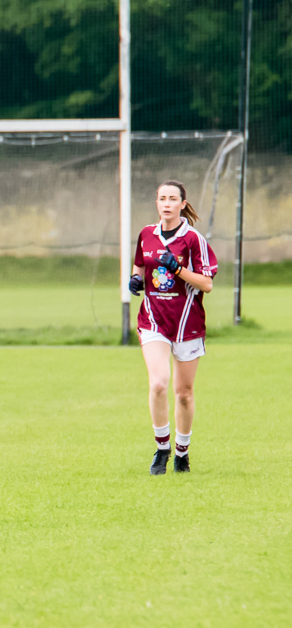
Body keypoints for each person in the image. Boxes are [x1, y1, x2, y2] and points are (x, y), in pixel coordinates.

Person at [130, 180, 217, 475]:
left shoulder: (193, 239)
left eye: (172, 199)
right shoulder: (146, 234)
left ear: (182, 204)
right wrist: (136, 278)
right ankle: (162, 448)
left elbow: (207, 283)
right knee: (158, 384)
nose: (166, 203)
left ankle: (182, 451)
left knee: (183, 393)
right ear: (156, 203)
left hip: (187, 324)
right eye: (161, 198)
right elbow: (141, 264)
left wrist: (178, 269)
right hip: (154, 320)